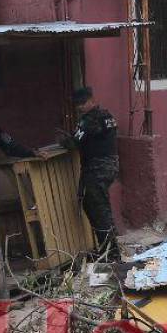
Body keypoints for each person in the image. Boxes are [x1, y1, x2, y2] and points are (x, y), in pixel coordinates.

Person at [66, 86, 120, 257]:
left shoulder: (89, 120)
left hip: (97, 168)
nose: (79, 107)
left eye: (82, 103)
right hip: (108, 166)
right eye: (77, 104)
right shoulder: (107, 116)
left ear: (91, 100)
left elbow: (74, 142)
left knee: (98, 208)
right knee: (93, 205)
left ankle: (110, 253)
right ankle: (107, 248)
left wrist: (63, 140)